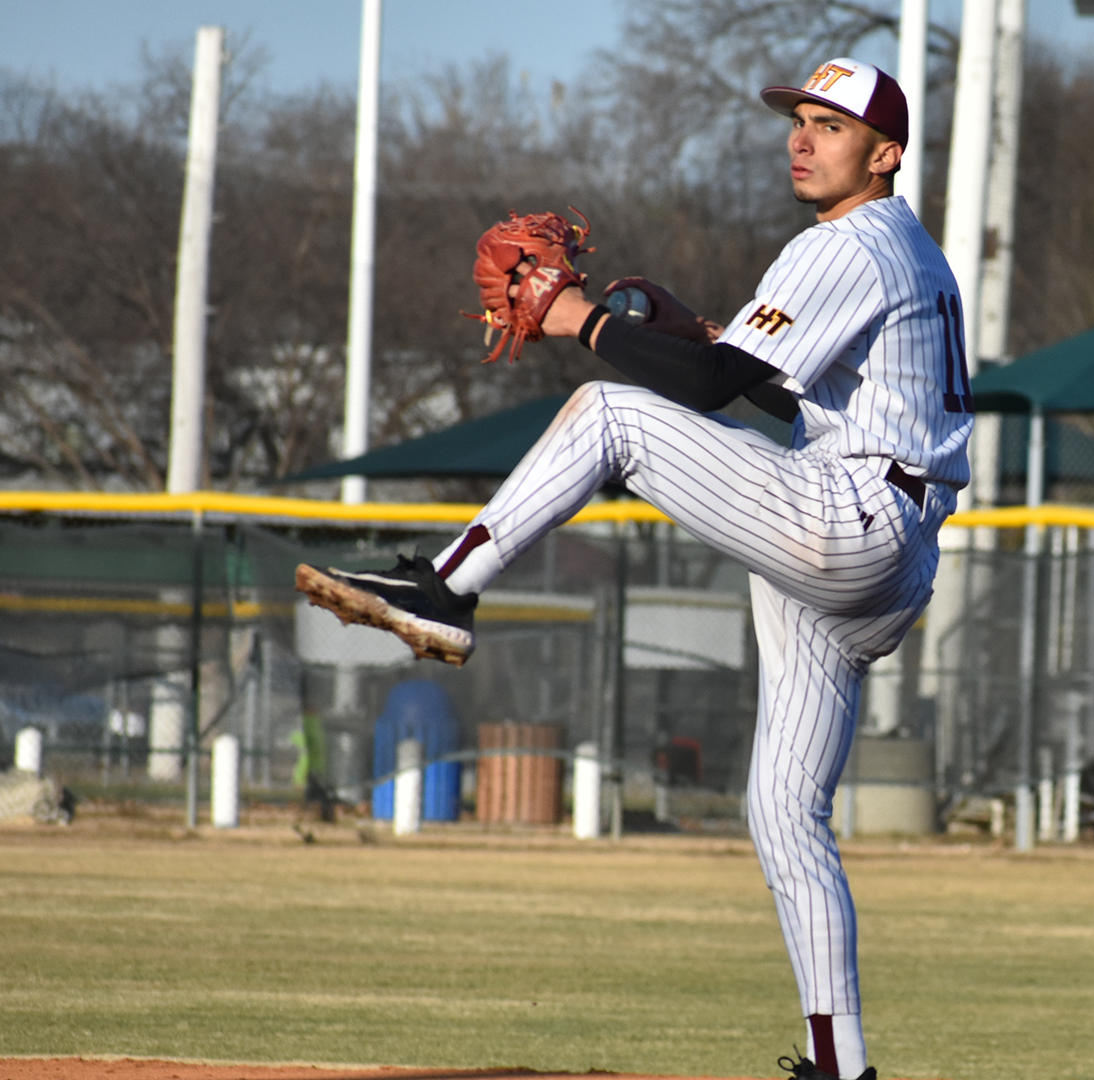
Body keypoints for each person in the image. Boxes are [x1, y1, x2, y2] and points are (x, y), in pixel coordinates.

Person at [295, 57, 969, 1080]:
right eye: (798, 119)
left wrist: (582, 322)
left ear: (885, 156)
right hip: (878, 540)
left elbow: (704, 387)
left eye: (829, 126)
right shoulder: (900, 246)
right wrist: (699, 332)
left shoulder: (851, 242)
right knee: (785, 816)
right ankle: (843, 1068)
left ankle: (447, 591)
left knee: (612, 415)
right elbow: (780, 390)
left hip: (854, 516)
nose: (801, 137)